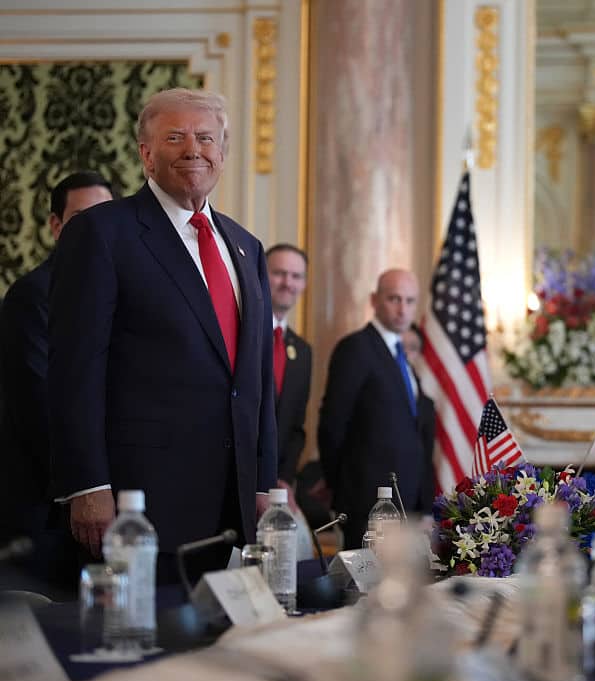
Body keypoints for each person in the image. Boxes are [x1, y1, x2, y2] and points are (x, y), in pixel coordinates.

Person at [48, 88, 277, 584]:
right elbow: (75, 370)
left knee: (219, 651)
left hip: (232, 506)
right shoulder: (102, 233)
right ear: (146, 154)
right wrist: (88, 484)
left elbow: (257, 380)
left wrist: (263, 484)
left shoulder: (246, 247)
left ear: (223, 153)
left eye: (205, 138)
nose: (193, 149)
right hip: (140, 506)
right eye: (175, 137)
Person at [0, 171, 115, 590]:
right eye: (80, 218)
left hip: (109, 508)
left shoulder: (120, 292)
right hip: (47, 513)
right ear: (55, 226)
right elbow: (41, 410)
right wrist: (92, 482)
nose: (93, 230)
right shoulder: (31, 297)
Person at [318, 269, 436, 549]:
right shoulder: (356, 348)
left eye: (409, 301)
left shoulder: (401, 356)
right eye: (394, 299)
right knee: (365, 590)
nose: (402, 309)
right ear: (374, 300)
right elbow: (332, 424)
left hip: (406, 501)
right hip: (366, 502)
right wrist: (341, 487)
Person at [266, 244, 312, 490]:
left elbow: (296, 426)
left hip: (278, 486)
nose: (288, 283)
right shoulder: (241, 333)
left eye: (296, 276)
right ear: (260, 274)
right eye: (279, 273)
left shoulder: (303, 351)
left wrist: (284, 479)